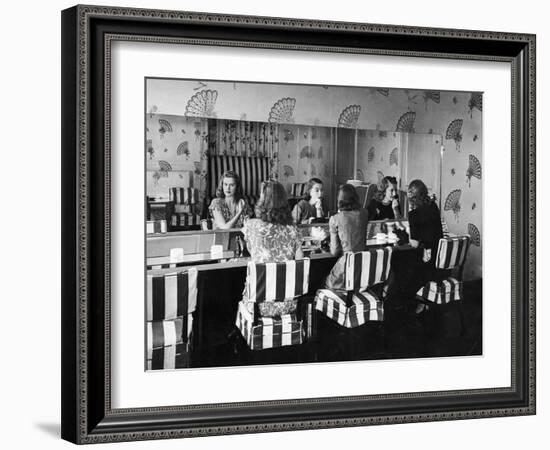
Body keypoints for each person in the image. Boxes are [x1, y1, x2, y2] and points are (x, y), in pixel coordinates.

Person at [241, 181, 304, 317]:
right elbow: (300, 265)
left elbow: (253, 253)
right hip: (288, 304)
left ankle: (249, 332)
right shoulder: (294, 230)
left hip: (258, 305)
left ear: (263, 200)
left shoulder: (252, 226)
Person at [386, 179, 443, 314]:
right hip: (438, 260)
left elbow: (414, 244)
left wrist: (407, 229)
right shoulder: (433, 206)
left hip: (426, 264)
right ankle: (410, 298)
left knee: (397, 259)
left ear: (411, 196)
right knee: (403, 259)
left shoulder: (414, 214)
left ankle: (396, 301)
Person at [324, 184, 369, 289]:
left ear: (339, 200)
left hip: (346, 268)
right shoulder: (364, 213)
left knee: (325, 282)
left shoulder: (335, 219)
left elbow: (334, 252)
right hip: (363, 268)